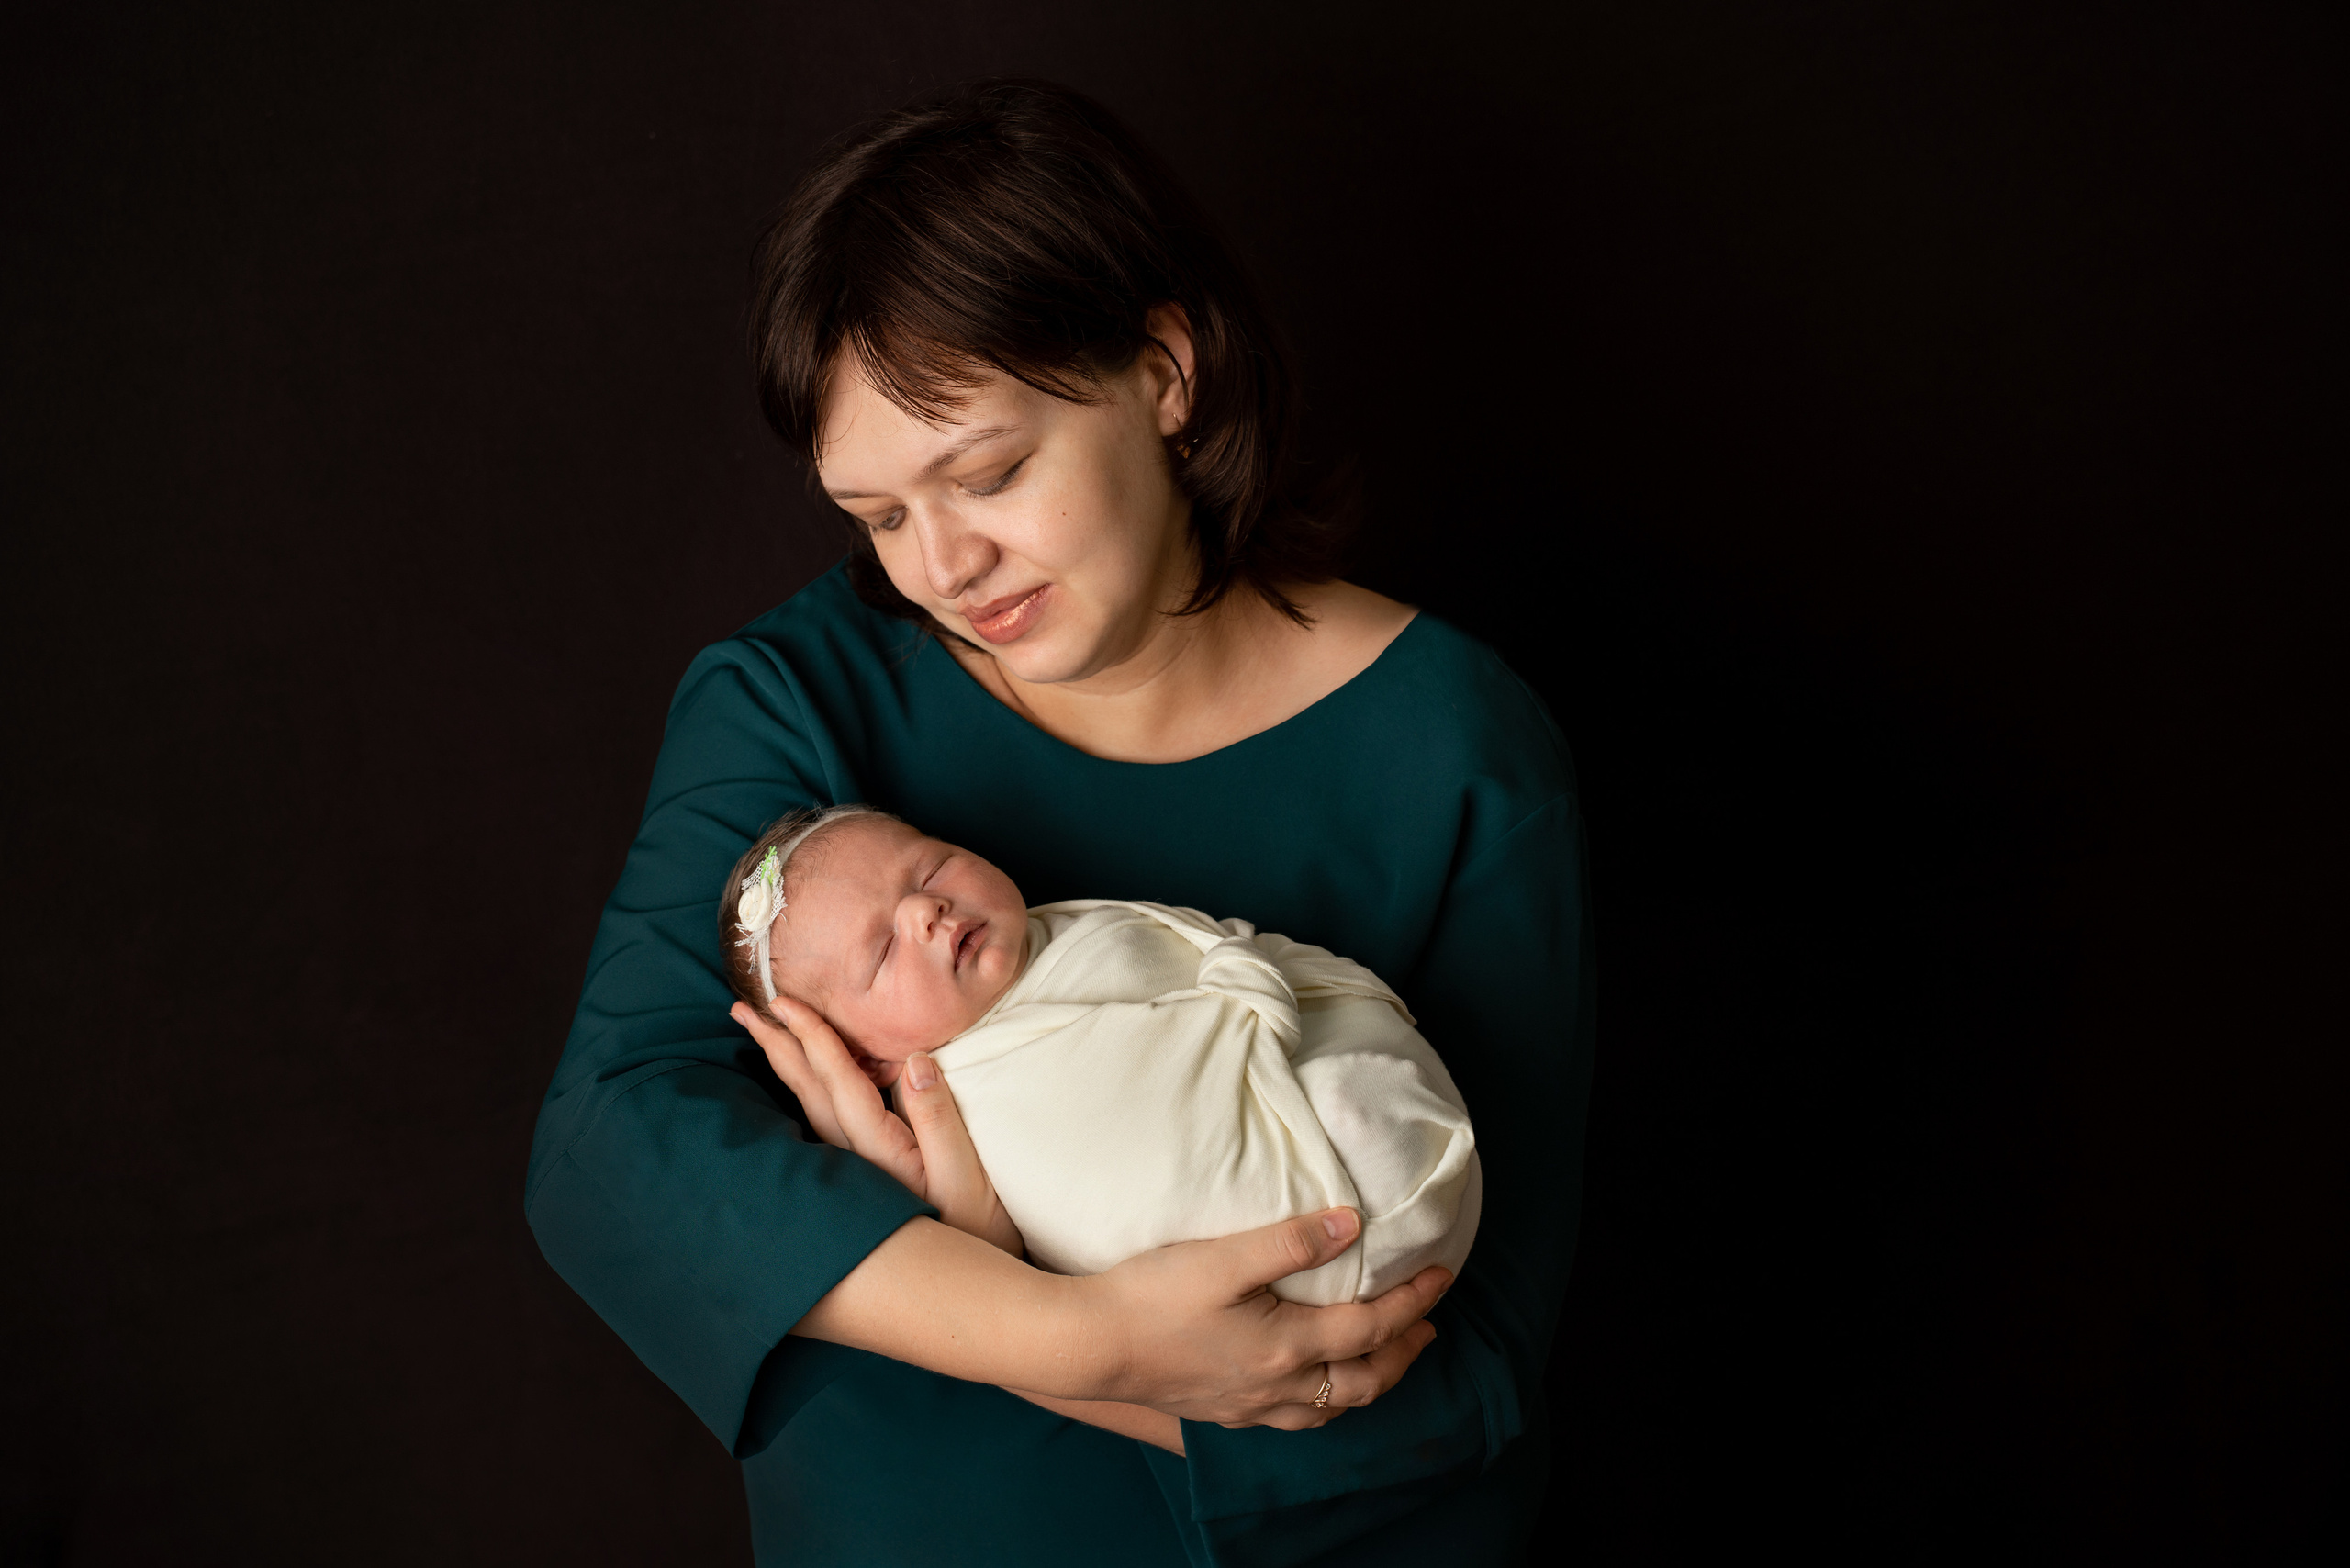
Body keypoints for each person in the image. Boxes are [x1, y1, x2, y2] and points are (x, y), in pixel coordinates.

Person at [526, 77, 1593, 1565]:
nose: (944, 564)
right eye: (882, 515)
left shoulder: (1458, 750)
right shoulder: (795, 699)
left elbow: (1472, 1367)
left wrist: (1117, 1364)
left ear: (1164, 372)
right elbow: (613, 1139)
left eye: (989, 472)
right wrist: (1062, 1328)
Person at [712, 804, 1483, 1306]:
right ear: (867, 1061)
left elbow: (1179, 945)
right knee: (1343, 1117)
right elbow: (1127, 1142)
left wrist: (1236, 967)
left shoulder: (1048, 931)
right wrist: (1242, 984)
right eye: (880, 952)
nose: (925, 910)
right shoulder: (981, 1098)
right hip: (1330, 1229)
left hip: (1382, 1117)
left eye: (929, 866)